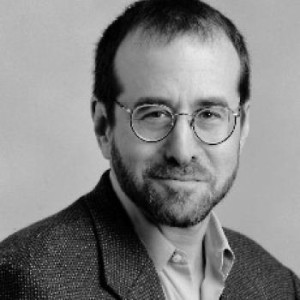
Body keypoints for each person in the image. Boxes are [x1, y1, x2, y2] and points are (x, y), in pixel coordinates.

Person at [1, 0, 299, 298]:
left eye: (209, 114)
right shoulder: (24, 279)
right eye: (154, 114)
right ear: (104, 126)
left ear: (242, 126)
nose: (182, 151)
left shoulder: (279, 285)